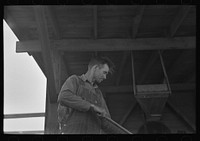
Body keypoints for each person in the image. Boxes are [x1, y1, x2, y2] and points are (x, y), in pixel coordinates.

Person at [57, 56, 115, 134]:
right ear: (95, 68)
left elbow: (107, 121)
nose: (105, 77)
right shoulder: (75, 80)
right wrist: (92, 107)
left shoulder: (98, 93)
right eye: (104, 72)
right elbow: (64, 97)